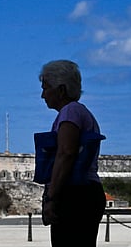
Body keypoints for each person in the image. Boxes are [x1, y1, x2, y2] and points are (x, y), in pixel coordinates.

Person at [38, 60, 106, 247]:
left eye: (46, 88)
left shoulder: (70, 113)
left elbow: (66, 153)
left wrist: (51, 197)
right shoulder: (78, 112)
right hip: (85, 192)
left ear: (61, 90)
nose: (43, 94)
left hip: (75, 194)